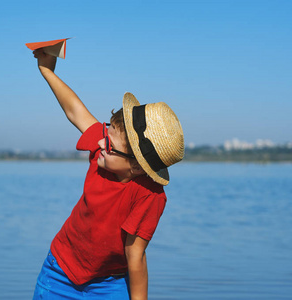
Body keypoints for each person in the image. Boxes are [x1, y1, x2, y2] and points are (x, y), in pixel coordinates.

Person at [32, 49, 184, 300]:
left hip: (109, 283)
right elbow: (75, 111)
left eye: (110, 145)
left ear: (136, 168)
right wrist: (47, 70)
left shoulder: (149, 195)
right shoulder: (106, 149)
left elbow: (135, 257)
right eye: (106, 135)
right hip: (59, 271)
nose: (101, 144)